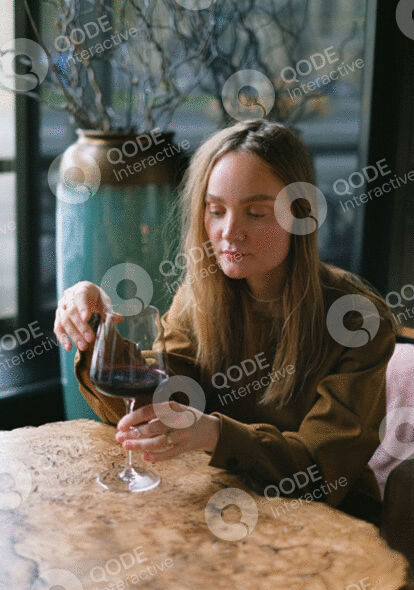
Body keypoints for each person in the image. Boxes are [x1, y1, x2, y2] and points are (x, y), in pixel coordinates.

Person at [54, 119, 396, 526]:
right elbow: (159, 400)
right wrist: (96, 330)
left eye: (255, 213)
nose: (230, 232)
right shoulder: (200, 295)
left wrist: (215, 434)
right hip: (222, 508)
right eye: (216, 211)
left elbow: (320, 473)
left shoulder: (357, 319)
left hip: (331, 528)